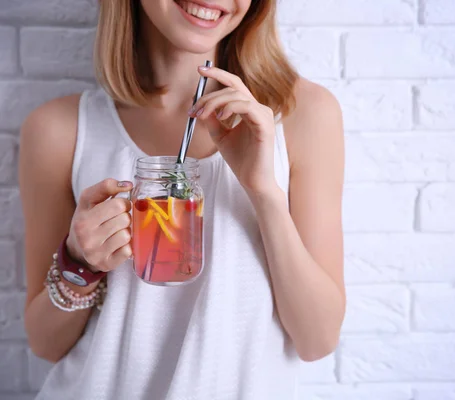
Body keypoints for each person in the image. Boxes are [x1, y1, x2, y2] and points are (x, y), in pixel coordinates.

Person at [18, 0, 346, 399]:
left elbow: (317, 339)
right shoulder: (59, 129)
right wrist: (80, 261)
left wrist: (263, 192)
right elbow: (45, 344)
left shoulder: (301, 114)